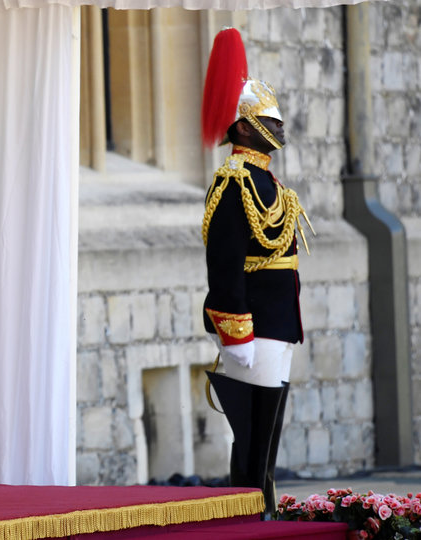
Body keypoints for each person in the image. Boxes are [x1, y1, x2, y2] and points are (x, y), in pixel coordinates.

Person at [200, 28, 314, 517]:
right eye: (269, 121)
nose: (280, 129)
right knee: (251, 434)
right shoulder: (233, 182)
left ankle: (259, 509)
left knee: (267, 431)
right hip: (253, 326)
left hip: (278, 322)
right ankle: (245, 514)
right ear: (244, 128)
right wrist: (235, 330)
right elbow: (224, 263)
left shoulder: (266, 180)